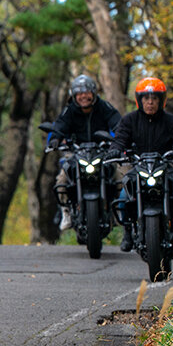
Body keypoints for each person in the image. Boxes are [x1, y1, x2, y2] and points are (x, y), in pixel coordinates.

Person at [111, 77, 173, 250]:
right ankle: (128, 232)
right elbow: (119, 139)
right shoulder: (129, 120)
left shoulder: (172, 121)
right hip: (138, 167)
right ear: (139, 100)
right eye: (146, 98)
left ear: (161, 100)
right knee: (124, 195)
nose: (150, 102)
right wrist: (115, 149)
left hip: (165, 166)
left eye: (154, 99)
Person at [49, 74, 120, 230]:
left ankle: (117, 211)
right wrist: (55, 139)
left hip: (102, 152)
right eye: (79, 93)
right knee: (62, 179)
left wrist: (119, 139)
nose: (83, 96)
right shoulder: (69, 110)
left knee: (119, 176)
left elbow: (117, 123)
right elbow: (59, 126)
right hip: (76, 152)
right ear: (74, 96)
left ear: (93, 93)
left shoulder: (104, 107)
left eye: (87, 92)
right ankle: (66, 212)